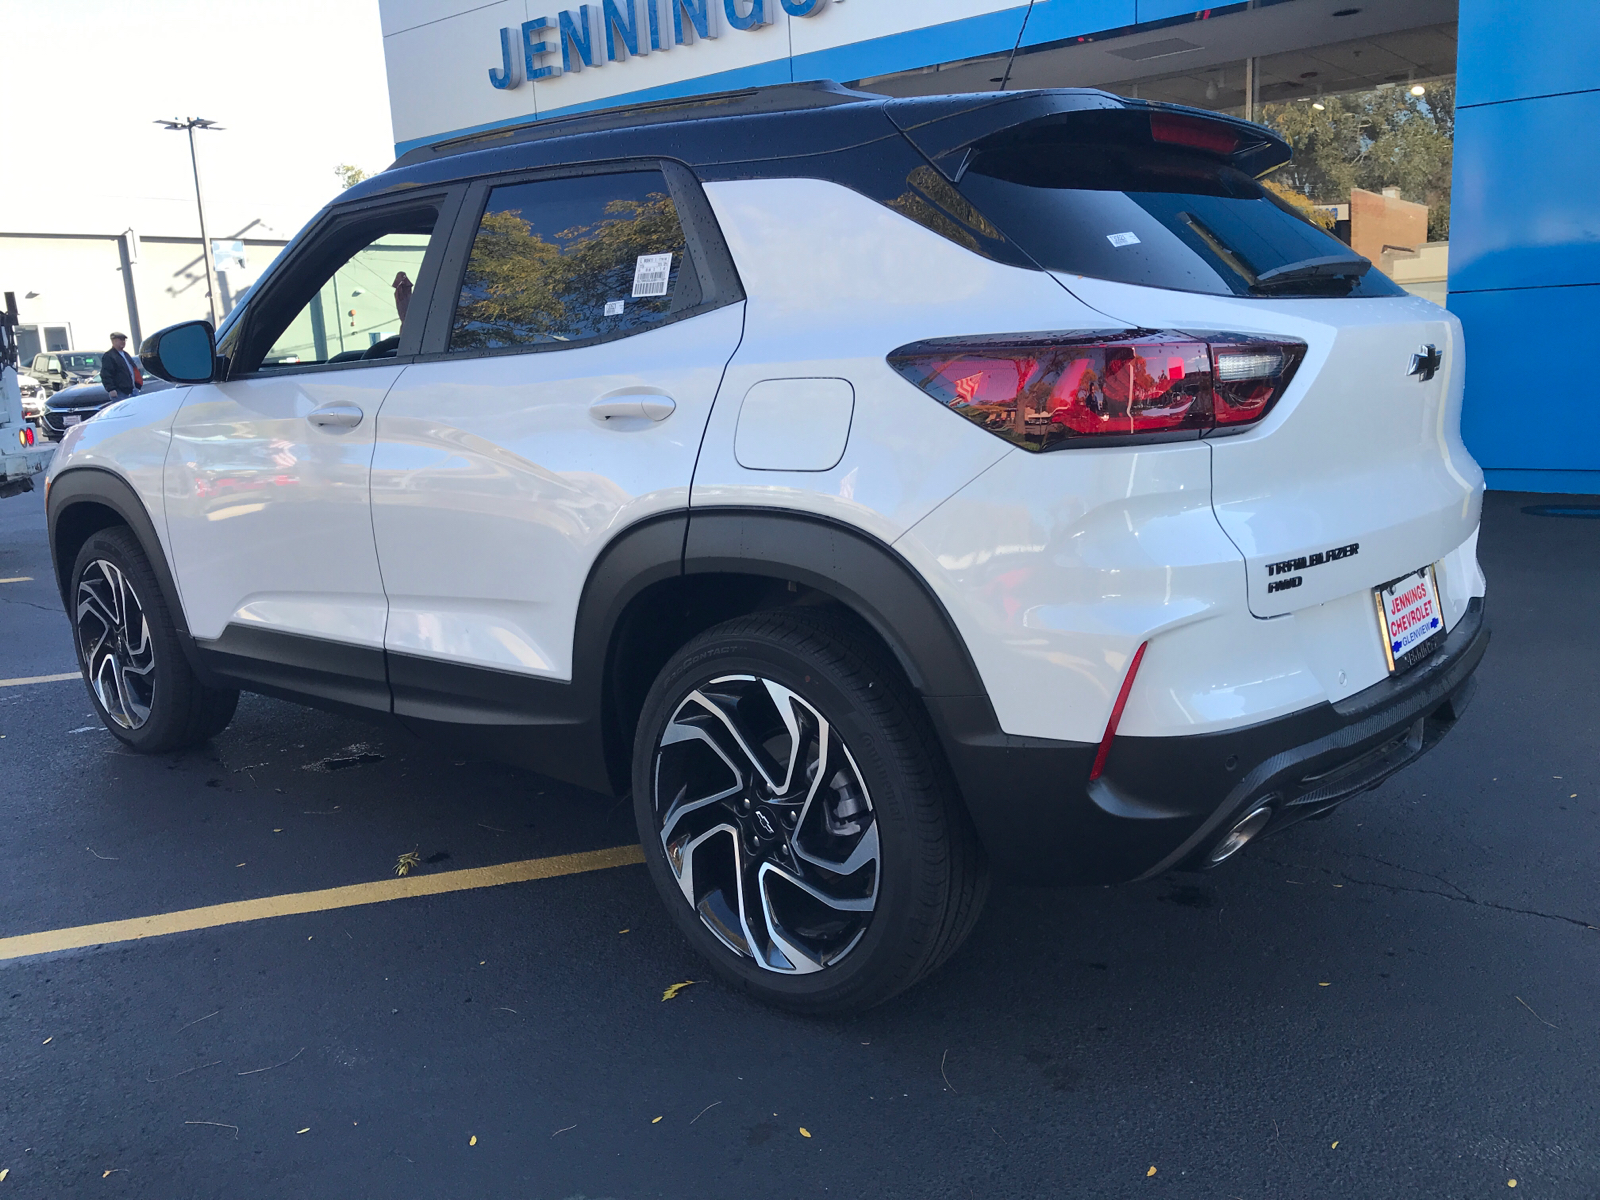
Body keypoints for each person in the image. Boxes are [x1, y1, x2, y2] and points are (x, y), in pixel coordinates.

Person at [101, 333, 142, 400]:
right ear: (114, 341)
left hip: (132, 390)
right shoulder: (109, 356)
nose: (123, 342)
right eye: (121, 340)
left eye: (124, 340)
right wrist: (111, 389)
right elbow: (106, 374)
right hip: (120, 393)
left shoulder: (126, 354)